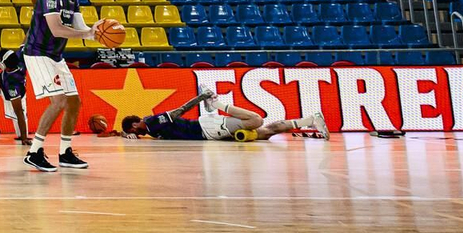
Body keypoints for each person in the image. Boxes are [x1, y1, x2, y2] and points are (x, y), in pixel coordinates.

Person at [22, 0, 96, 172]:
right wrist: (89, 34)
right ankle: (34, 151)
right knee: (59, 101)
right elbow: (56, 29)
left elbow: (82, 28)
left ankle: (65, 152)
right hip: (37, 53)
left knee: (74, 102)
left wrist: (98, 31)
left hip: (56, 56)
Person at [122, 89, 330, 141]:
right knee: (266, 132)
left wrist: (199, 97)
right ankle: (310, 120)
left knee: (257, 120)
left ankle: (216, 103)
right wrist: (125, 135)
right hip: (209, 134)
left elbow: (178, 112)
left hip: (206, 128)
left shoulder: (150, 122)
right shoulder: (148, 129)